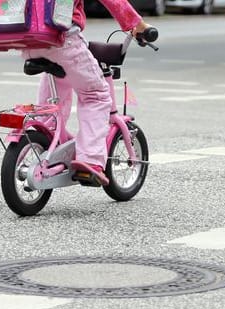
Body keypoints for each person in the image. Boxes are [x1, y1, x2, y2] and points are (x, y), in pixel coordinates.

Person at [21, 0, 151, 186]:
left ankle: (47, 141)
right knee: (96, 95)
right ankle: (89, 159)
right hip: (62, 39)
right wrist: (138, 25)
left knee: (56, 91)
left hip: (30, 40)